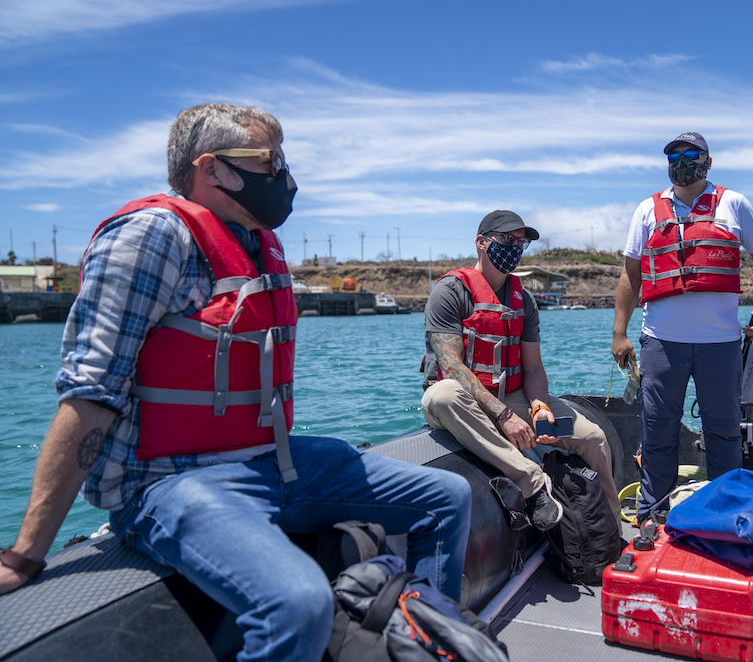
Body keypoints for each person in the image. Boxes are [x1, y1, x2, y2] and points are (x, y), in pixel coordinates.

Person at [0, 103, 471, 662]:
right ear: (213, 169)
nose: (284, 177)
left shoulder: (256, 244)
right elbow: (90, 393)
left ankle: (429, 644)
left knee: (447, 497)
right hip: (170, 481)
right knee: (298, 604)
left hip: (271, 462)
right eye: (271, 161)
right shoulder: (151, 237)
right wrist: (24, 555)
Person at [611, 132, 753, 520]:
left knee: (723, 432)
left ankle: (724, 513)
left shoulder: (735, 203)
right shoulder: (647, 210)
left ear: (708, 160)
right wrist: (619, 332)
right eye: (674, 154)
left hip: (720, 344)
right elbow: (631, 273)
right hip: (661, 343)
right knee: (657, 432)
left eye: (692, 154)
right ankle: (652, 514)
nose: (682, 161)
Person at [421, 210, 620, 530]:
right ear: (481, 243)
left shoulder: (524, 301)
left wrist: (539, 406)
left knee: (592, 437)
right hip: (462, 403)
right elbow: (451, 366)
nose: (515, 246)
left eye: (521, 241)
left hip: (511, 398)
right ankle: (533, 485)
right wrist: (504, 417)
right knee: (443, 394)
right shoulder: (450, 292)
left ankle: (609, 532)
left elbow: (532, 367)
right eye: (506, 239)